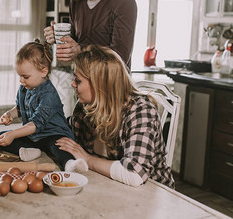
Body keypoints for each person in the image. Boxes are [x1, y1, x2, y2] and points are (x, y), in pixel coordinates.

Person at [56, 45, 175, 188]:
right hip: (111, 185)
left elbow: (134, 174)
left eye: (78, 80)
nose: (72, 84)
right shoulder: (84, 106)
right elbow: (65, 136)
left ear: (99, 84)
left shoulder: (141, 110)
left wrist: (87, 159)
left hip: (155, 193)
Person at [0, 39, 87, 172]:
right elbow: (20, 108)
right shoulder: (25, 87)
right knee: (1, 136)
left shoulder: (49, 94)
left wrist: (14, 134)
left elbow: (36, 124)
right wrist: (9, 114)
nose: (21, 81)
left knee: (59, 147)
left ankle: (69, 164)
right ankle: (28, 151)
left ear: (43, 71)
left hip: (53, 134)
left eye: (25, 77)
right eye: (19, 76)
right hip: (35, 136)